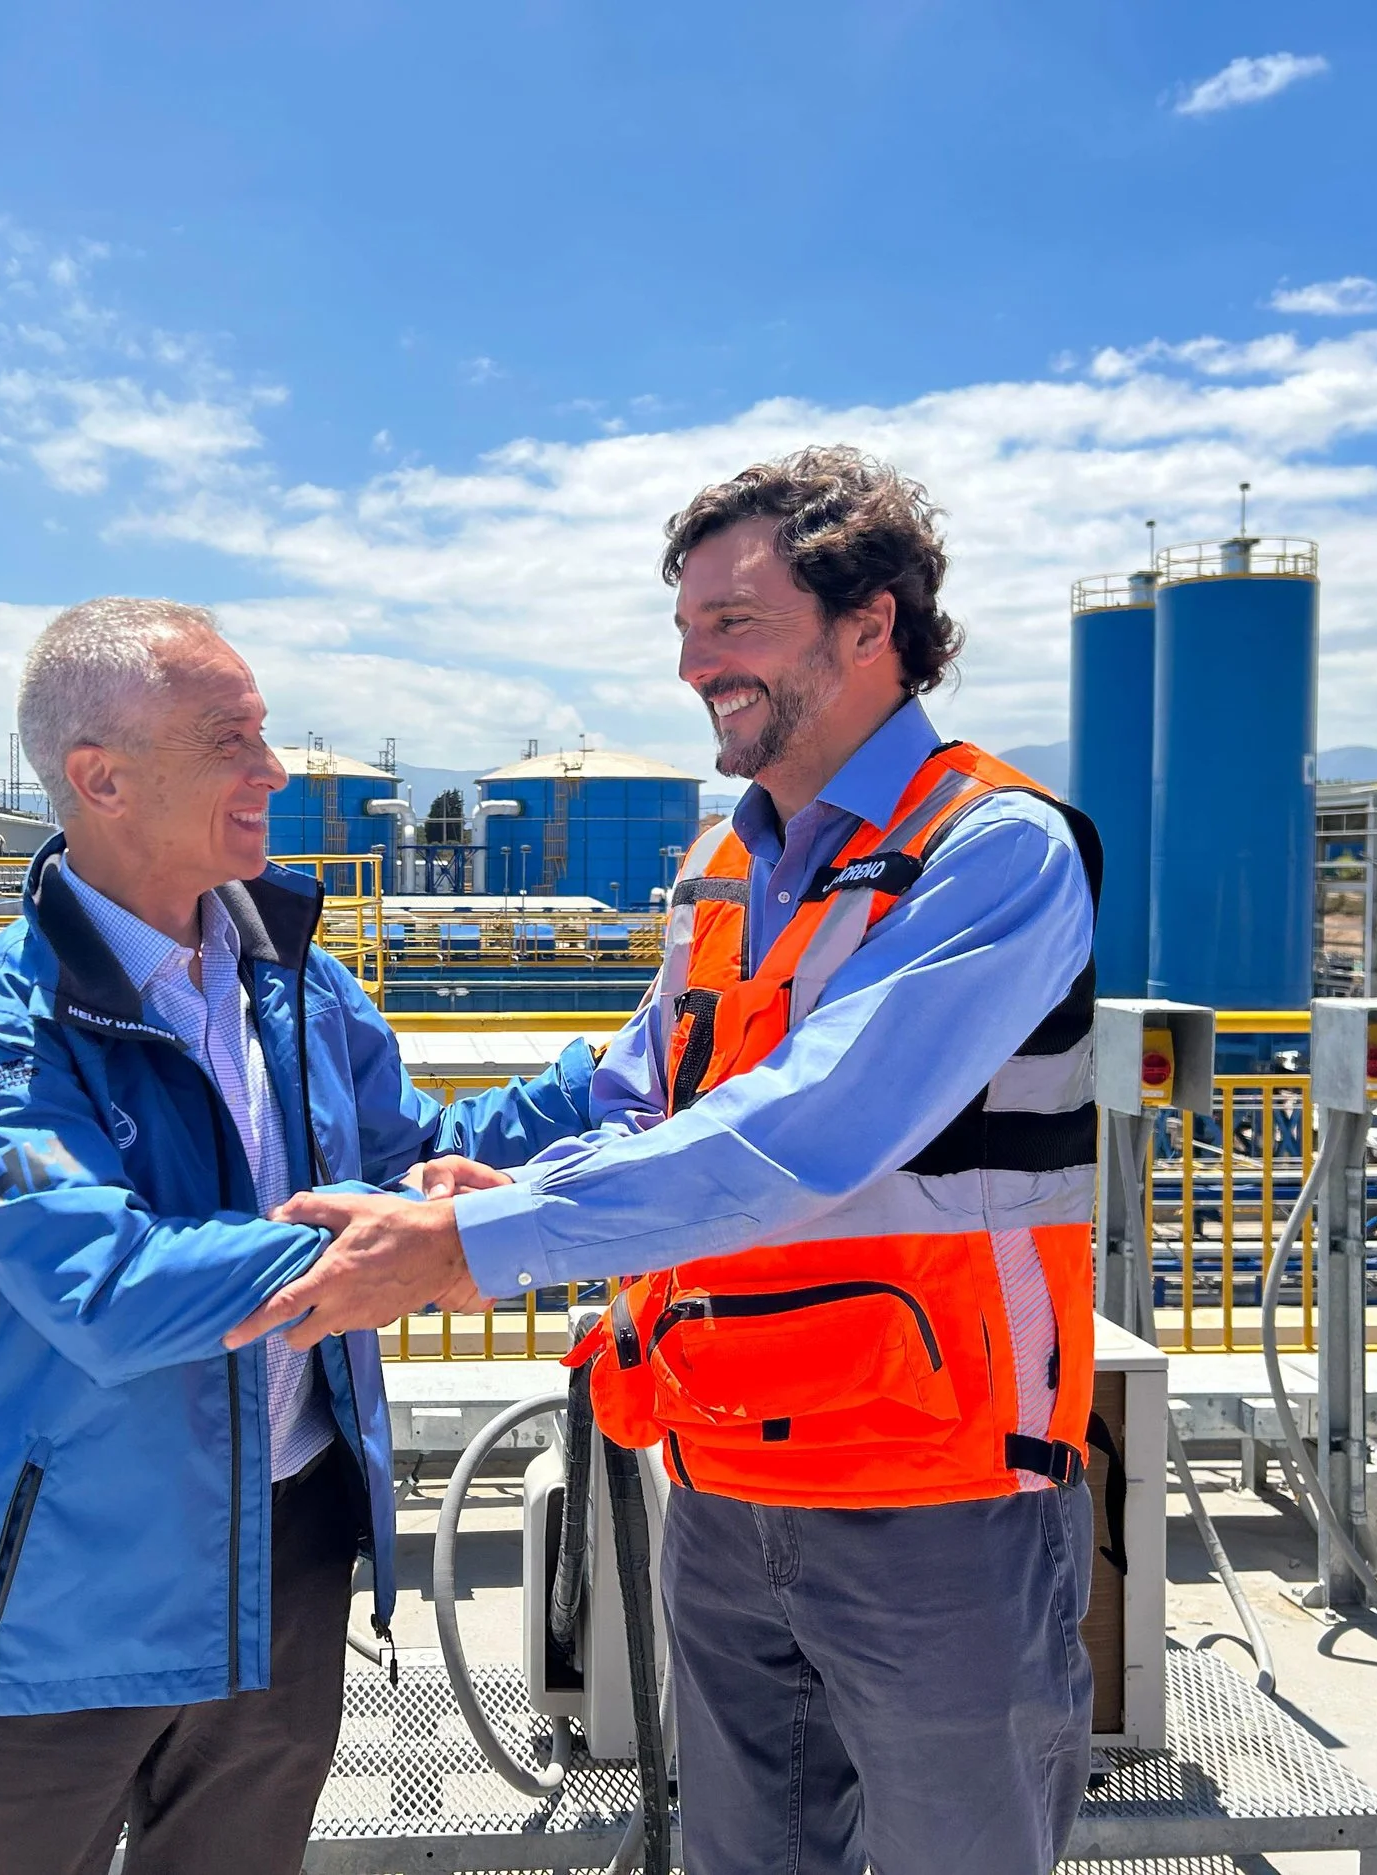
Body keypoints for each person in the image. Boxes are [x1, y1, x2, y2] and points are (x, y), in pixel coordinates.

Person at [232, 449, 1104, 1875]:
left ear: (870, 622)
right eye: (689, 625)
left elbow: (803, 1128)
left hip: (934, 1493)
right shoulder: (723, 863)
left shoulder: (992, 851)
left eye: (736, 621)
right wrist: (474, 1176)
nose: (697, 662)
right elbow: (638, 1084)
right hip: (721, 1472)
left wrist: (473, 1248)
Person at [0, 596, 594, 1875]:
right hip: (71, 1589)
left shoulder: (292, 977)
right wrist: (387, 1248)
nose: (273, 771)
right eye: (232, 739)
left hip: (286, 1559)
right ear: (100, 777)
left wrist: (615, 1080)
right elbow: (98, 1286)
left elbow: (408, 1140)